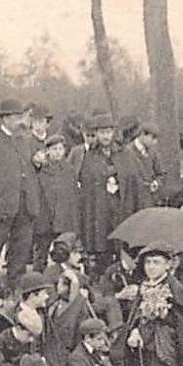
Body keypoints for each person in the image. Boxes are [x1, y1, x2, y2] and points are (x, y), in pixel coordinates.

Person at [0, 97, 41, 281]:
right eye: (14, 116)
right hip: (2, 204)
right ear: (4, 118)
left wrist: (37, 164)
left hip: (25, 204)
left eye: (19, 116)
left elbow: (29, 168)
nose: (18, 120)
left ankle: (16, 285)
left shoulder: (25, 140)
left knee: (21, 247)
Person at [30, 105, 76, 274]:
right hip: (45, 219)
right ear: (47, 151)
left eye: (60, 149)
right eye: (54, 149)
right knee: (41, 252)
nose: (57, 152)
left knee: (62, 252)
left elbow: (71, 196)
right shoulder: (42, 170)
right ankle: (38, 277)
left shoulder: (69, 170)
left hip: (63, 219)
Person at [75, 110, 123, 257]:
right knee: (102, 250)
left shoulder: (124, 153)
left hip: (119, 209)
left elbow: (132, 179)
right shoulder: (90, 156)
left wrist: (118, 181)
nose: (106, 136)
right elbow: (86, 183)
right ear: (97, 134)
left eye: (108, 132)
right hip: (99, 211)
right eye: (102, 133)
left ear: (113, 133)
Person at [115, 116, 168, 212]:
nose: (155, 142)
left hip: (150, 200)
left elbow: (162, 173)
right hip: (133, 200)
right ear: (143, 135)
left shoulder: (153, 153)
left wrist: (156, 183)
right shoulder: (127, 151)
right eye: (153, 138)